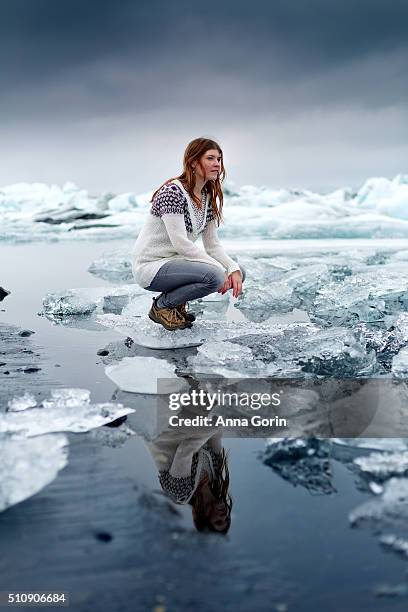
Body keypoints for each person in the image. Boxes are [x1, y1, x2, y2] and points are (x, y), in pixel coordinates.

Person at [132, 137, 246, 331]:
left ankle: (176, 304)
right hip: (151, 266)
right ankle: (162, 306)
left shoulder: (206, 197)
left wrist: (232, 268)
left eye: (219, 159)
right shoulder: (173, 192)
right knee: (216, 276)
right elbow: (181, 244)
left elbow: (212, 246)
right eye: (210, 158)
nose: (217, 164)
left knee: (239, 272)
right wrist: (220, 270)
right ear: (194, 162)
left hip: (176, 263)